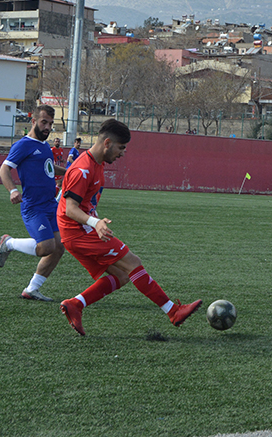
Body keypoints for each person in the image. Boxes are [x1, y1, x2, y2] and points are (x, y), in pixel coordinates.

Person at [57, 119, 203, 336]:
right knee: (133, 263)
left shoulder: (96, 164)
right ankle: (173, 311)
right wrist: (94, 222)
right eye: (121, 147)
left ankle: (75, 305)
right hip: (78, 232)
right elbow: (70, 209)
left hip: (77, 232)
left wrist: (94, 220)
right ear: (107, 143)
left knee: (122, 276)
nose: (122, 153)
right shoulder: (83, 169)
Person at [0, 104, 67, 302]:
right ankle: (9, 243)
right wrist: (12, 190)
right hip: (34, 207)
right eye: (44, 122)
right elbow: (4, 169)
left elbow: (49, 168)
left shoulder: (44, 146)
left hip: (50, 205)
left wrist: (69, 173)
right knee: (46, 247)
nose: (47, 127)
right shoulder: (23, 145)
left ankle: (31, 289)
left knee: (59, 247)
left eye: (51, 124)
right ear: (33, 121)